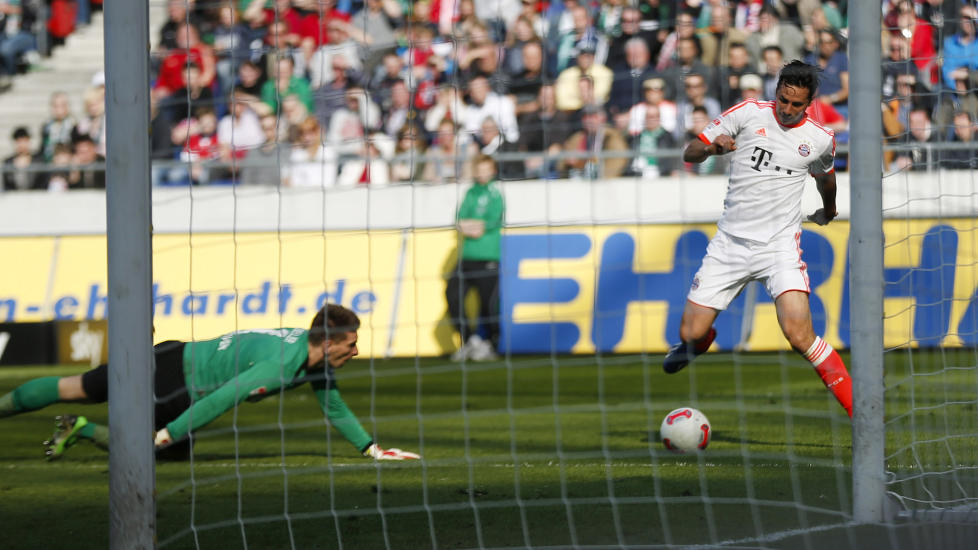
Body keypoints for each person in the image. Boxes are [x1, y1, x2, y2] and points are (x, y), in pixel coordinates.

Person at [663, 60, 853, 418]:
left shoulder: (819, 139)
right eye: (784, 99)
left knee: (800, 336)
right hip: (729, 245)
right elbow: (690, 152)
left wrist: (828, 209)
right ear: (777, 90)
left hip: (779, 247)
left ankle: (865, 417)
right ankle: (696, 344)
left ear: (809, 102)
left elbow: (825, 179)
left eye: (798, 104)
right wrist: (711, 149)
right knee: (690, 332)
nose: (788, 109)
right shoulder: (748, 113)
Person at [0, 304, 420, 461]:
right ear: (327, 342)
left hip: (172, 353)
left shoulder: (310, 352)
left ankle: (70, 424)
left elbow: (333, 406)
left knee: (73, 386)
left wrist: (369, 448)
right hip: (174, 383)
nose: (357, 351)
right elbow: (221, 399)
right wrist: (167, 434)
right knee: (155, 450)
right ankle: (84, 429)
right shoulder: (280, 365)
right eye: (351, 343)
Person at [446, 155, 505, 362]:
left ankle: (489, 343)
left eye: (486, 168)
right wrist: (472, 225)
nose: (482, 173)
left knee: (487, 304)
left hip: (489, 256)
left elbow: (485, 225)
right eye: (478, 168)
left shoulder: (496, 194)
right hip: (467, 256)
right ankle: (470, 341)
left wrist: (472, 225)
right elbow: (460, 221)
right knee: (452, 295)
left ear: (493, 170)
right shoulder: (470, 192)